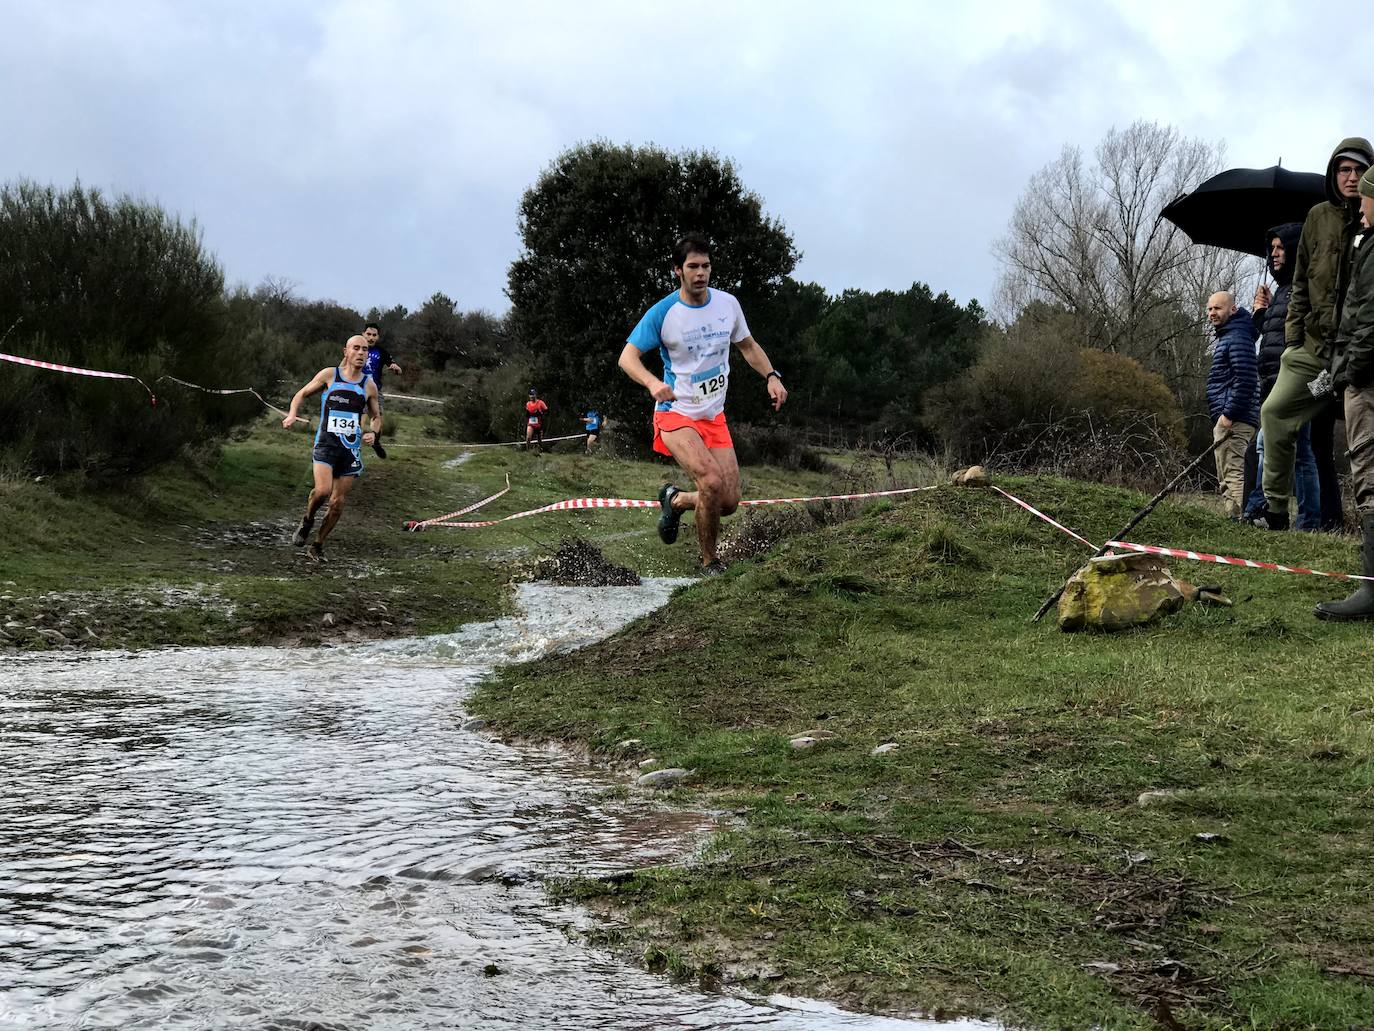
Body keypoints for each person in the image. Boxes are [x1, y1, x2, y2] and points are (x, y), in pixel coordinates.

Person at [618, 233, 787, 574]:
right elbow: (627, 358)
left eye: (706, 266)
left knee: (728, 501)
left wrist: (771, 375)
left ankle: (676, 500)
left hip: (713, 415)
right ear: (677, 271)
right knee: (710, 483)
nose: (701, 273)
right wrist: (653, 382)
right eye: (692, 266)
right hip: (675, 414)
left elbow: (748, 346)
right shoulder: (663, 313)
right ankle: (710, 562)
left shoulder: (727, 304)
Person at [1254, 137, 1374, 530]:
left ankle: (1340, 523)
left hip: (1359, 355)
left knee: (1341, 444)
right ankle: (1273, 509)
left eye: (1359, 170)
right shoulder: (1317, 218)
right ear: (1333, 173)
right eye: (1344, 169)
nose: (1352, 177)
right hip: (1313, 350)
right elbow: (1300, 282)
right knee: (1275, 413)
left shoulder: (1372, 217)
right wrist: (1292, 342)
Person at [1317, 169, 1374, 619]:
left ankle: (1372, 588)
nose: (1360, 202)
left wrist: (1350, 372)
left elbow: (1367, 321)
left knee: (1368, 472)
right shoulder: (1366, 243)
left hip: (1367, 382)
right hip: (1358, 374)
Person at [1244, 224, 1321, 528]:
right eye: (1271, 248)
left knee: (1298, 451)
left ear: (1295, 249)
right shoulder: (1281, 292)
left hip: (1295, 380)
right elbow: (1275, 335)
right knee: (1282, 448)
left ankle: (1304, 519)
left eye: (1280, 247)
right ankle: (1269, 510)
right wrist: (1261, 311)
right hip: (1273, 379)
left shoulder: (1305, 288)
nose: (1273, 254)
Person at [281, 334, 381, 563]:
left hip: (350, 449)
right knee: (323, 491)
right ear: (345, 351)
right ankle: (307, 520)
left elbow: (376, 417)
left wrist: (372, 433)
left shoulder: (368, 384)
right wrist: (292, 414)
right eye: (356, 348)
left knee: (337, 503)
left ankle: (317, 545)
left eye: (365, 349)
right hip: (326, 444)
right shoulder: (330, 375)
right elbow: (301, 394)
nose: (361, 353)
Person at [1204, 291, 1260, 519]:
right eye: (1209, 309)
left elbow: (1246, 378)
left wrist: (1228, 414)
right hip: (1230, 416)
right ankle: (1233, 518)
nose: (1212, 314)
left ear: (1232, 309)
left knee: (1233, 471)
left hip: (1235, 418)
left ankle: (1240, 520)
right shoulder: (1231, 335)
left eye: (1217, 308)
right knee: (1225, 473)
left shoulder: (1237, 336)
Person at [361, 322, 402, 459]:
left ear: (378, 337)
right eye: (368, 334)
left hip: (375, 389)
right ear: (363, 334)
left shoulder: (381, 351)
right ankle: (354, 444)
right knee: (361, 416)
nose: (371, 337)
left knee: (377, 415)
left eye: (374, 335)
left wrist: (395, 367)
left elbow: (393, 364)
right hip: (357, 387)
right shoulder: (357, 347)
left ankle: (375, 441)